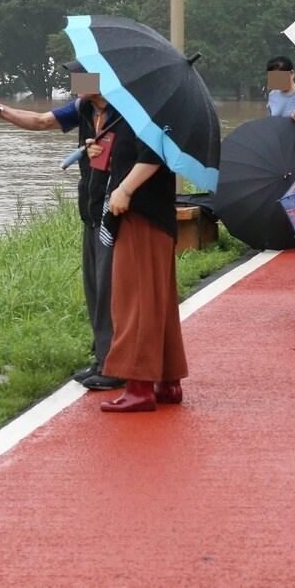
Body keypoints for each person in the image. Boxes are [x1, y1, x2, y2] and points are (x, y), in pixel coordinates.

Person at [0, 72, 124, 390]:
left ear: (102, 79)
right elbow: (41, 121)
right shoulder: (84, 108)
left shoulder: (126, 112)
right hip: (90, 207)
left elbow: (141, 158)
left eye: (83, 75)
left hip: (115, 211)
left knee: (111, 289)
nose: (77, 82)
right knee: (95, 288)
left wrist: (110, 158)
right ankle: (103, 357)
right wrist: (1, 111)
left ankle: (117, 363)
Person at [96, 112, 187, 412]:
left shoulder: (144, 108)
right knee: (157, 299)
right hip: (156, 215)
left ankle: (138, 386)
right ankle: (167, 380)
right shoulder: (146, 108)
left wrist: (124, 189)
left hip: (141, 214)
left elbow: (153, 154)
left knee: (134, 300)